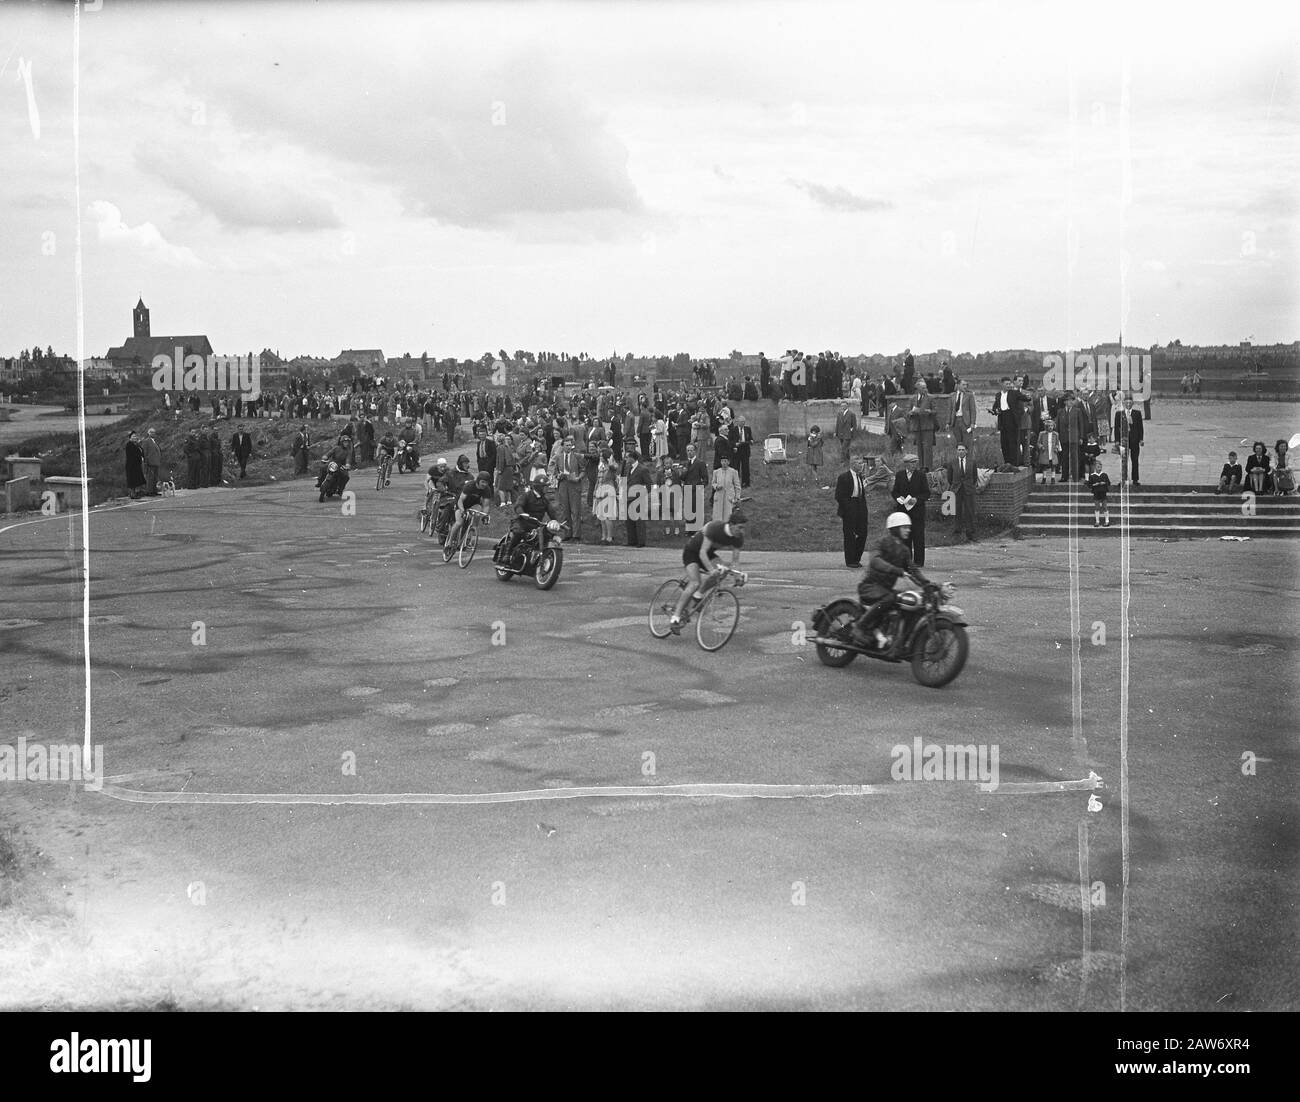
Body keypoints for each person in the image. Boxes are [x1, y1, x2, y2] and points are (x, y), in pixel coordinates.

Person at [851, 511, 933, 649]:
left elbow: (913, 570)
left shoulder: (904, 550)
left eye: (908, 527)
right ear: (895, 528)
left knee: (906, 599)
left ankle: (893, 635)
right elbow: (875, 561)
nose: (908, 530)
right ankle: (859, 627)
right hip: (869, 586)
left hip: (884, 589)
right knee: (890, 598)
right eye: (904, 527)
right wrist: (896, 570)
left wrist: (927, 584)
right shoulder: (881, 543)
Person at [668, 511, 747, 633]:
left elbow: (735, 562)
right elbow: (702, 552)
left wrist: (738, 575)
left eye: (744, 528)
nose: (742, 531)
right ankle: (675, 618)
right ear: (731, 524)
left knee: (723, 571)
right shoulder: (715, 528)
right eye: (740, 527)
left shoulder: (738, 538)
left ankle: (698, 596)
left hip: (709, 554)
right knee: (695, 582)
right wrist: (711, 570)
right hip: (693, 552)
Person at [497, 469, 563, 563]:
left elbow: (552, 512)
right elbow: (518, 505)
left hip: (536, 524)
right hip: (522, 521)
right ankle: (508, 553)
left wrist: (557, 521)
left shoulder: (544, 500)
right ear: (539, 487)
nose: (547, 488)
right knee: (518, 532)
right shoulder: (527, 495)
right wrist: (522, 513)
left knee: (548, 534)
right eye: (545, 486)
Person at [890, 453, 930, 567]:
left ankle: (918, 562)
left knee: (918, 537)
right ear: (906, 464)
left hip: (917, 511)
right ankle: (906, 561)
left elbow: (926, 493)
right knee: (905, 537)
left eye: (916, 462)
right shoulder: (899, 475)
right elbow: (895, 491)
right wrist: (899, 498)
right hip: (903, 511)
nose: (914, 465)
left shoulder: (921, 475)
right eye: (912, 462)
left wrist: (916, 500)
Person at [834, 454, 869, 567]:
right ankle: (850, 561)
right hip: (849, 507)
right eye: (859, 464)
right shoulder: (844, 477)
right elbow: (839, 496)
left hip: (860, 506)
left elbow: (862, 494)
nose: (861, 466)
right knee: (849, 535)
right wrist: (848, 508)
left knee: (862, 533)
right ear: (853, 464)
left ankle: (856, 558)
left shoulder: (859, 477)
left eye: (862, 464)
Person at [446, 472, 493, 548]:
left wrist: (485, 515)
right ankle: (449, 542)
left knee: (478, 512)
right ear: (478, 481)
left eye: (486, 482)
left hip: (473, 504)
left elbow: (486, 505)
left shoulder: (487, 489)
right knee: (459, 523)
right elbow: (461, 500)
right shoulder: (470, 485)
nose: (484, 484)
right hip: (461, 503)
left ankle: (469, 537)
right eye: (483, 482)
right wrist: (462, 511)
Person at [945, 443, 978, 543]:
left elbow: (974, 477)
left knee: (969, 511)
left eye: (963, 450)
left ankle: (970, 532)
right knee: (957, 511)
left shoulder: (972, 462)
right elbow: (949, 478)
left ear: (966, 451)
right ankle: (957, 531)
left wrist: (969, 485)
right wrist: (955, 486)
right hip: (957, 489)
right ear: (956, 451)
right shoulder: (952, 462)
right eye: (959, 450)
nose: (961, 452)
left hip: (968, 489)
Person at [1113, 394, 1144, 485]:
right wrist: (1117, 440)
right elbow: (1116, 428)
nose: (1128, 404)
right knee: (1123, 460)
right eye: (1126, 402)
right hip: (1123, 440)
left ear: (1133, 403)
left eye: (1130, 402)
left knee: (1135, 460)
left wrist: (1141, 439)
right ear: (1124, 403)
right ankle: (1123, 479)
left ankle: (1135, 479)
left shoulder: (1137, 413)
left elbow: (1140, 427)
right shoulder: (1119, 414)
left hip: (1134, 439)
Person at [906, 380, 937, 470]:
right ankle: (920, 466)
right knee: (919, 447)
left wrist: (930, 411)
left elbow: (935, 411)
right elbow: (907, 412)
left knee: (927, 448)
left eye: (925, 387)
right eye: (923, 388)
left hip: (927, 426)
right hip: (917, 425)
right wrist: (911, 413)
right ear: (918, 389)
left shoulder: (931, 398)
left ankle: (928, 467)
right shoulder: (912, 399)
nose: (925, 389)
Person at [593, 447, 619, 545]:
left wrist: (610, 458)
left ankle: (609, 537)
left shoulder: (611, 466)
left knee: (608, 516)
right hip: (600, 491)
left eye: (601, 456)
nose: (600, 457)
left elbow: (614, 467)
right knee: (601, 516)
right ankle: (603, 536)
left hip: (608, 492)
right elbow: (598, 481)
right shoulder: (601, 467)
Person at [710, 455, 741, 522]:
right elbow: (713, 483)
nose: (724, 463)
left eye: (725, 461)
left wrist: (737, 497)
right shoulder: (716, 472)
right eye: (722, 461)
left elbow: (737, 486)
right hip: (719, 497)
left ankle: (726, 529)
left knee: (727, 516)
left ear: (728, 462)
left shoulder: (733, 472)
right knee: (717, 516)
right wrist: (716, 486)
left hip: (728, 497)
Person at [949, 378, 977, 452]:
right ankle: (961, 461)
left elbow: (973, 410)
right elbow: (950, 409)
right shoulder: (953, 395)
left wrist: (972, 423)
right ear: (958, 385)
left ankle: (968, 462)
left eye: (966, 385)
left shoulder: (969, 395)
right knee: (959, 444)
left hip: (965, 422)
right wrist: (948, 422)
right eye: (963, 385)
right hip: (955, 421)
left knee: (968, 443)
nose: (965, 386)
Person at [1087, 458, 1112, 527]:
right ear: (1095, 467)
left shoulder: (1104, 475)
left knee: (1105, 506)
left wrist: (1104, 483)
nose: (1099, 468)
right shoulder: (1092, 476)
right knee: (1097, 507)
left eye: (1100, 467)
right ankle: (1097, 521)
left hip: (1103, 492)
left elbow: (1109, 483)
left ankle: (1107, 521)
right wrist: (1094, 485)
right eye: (1098, 467)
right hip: (1096, 493)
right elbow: (1089, 485)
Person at [1036, 419, 1061, 484]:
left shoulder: (1056, 434)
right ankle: (1044, 478)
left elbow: (1057, 443)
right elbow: (1038, 442)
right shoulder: (1042, 433)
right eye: (1049, 426)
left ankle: (1053, 478)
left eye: (1051, 426)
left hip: (1052, 451)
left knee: (1053, 465)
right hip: (1045, 451)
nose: (1050, 427)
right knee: (1044, 465)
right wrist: (1041, 446)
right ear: (1046, 426)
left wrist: (1056, 447)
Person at [834, 401, 858, 466]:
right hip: (840, 433)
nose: (843, 407)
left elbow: (854, 425)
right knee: (845, 448)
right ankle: (848, 460)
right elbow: (837, 424)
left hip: (848, 434)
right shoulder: (839, 414)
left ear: (847, 406)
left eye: (844, 405)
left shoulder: (851, 414)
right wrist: (836, 432)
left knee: (843, 448)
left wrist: (852, 433)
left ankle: (842, 462)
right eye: (842, 406)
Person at [124, 431, 146, 499]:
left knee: (137, 479)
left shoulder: (136, 444)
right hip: (131, 465)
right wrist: (139, 457)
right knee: (132, 480)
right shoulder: (129, 445)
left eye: (135, 436)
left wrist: (142, 456)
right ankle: (133, 494)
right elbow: (132, 455)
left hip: (137, 465)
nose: (135, 437)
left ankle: (137, 493)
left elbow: (141, 451)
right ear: (130, 438)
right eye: (133, 436)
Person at [142, 428, 162, 495]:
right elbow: (144, 452)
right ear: (148, 433)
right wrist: (146, 462)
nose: (153, 433)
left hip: (156, 462)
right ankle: (149, 491)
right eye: (151, 432)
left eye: (154, 432)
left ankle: (154, 491)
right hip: (150, 462)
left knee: (155, 478)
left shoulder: (154, 441)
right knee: (150, 478)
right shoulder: (146, 441)